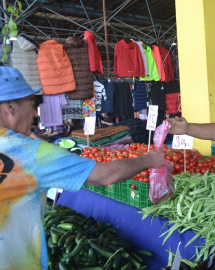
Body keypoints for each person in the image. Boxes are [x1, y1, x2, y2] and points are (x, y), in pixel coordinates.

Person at [0, 67, 165, 270]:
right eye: (32, 104)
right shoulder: (30, 154)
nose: (35, 113)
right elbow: (106, 175)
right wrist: (148, 160)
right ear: (10, 107)